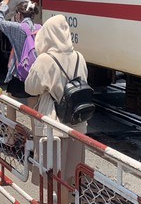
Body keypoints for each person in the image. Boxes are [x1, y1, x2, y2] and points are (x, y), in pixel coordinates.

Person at [25, 15, 89, 204]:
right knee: (69, 174)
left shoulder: (45, 59)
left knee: (52, 174)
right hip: (77, 124)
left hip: (52, 125)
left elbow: (30, 88)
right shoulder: (79, 57)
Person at [0, 0, 41, 127]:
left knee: (11, 104)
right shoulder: (40, 28)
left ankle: (10, 138)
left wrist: (5, 2)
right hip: (34, 74)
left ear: (19, 14)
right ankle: (36, 140)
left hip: (19, 74)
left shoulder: (17, 28)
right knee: (34, 108)